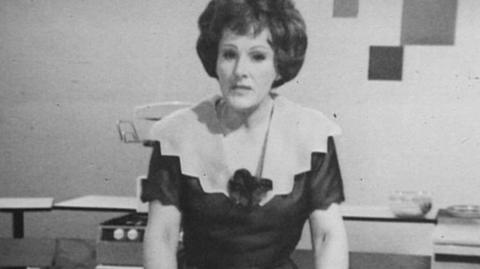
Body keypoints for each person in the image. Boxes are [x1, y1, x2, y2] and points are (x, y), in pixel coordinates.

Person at [141, 0, 348, 268]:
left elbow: (327, 236)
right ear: (214, 60)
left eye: (258, 56)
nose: (240, 72)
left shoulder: (312, 135)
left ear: (279, 64)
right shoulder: (177, 134)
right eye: (229, 54)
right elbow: (162, 236)